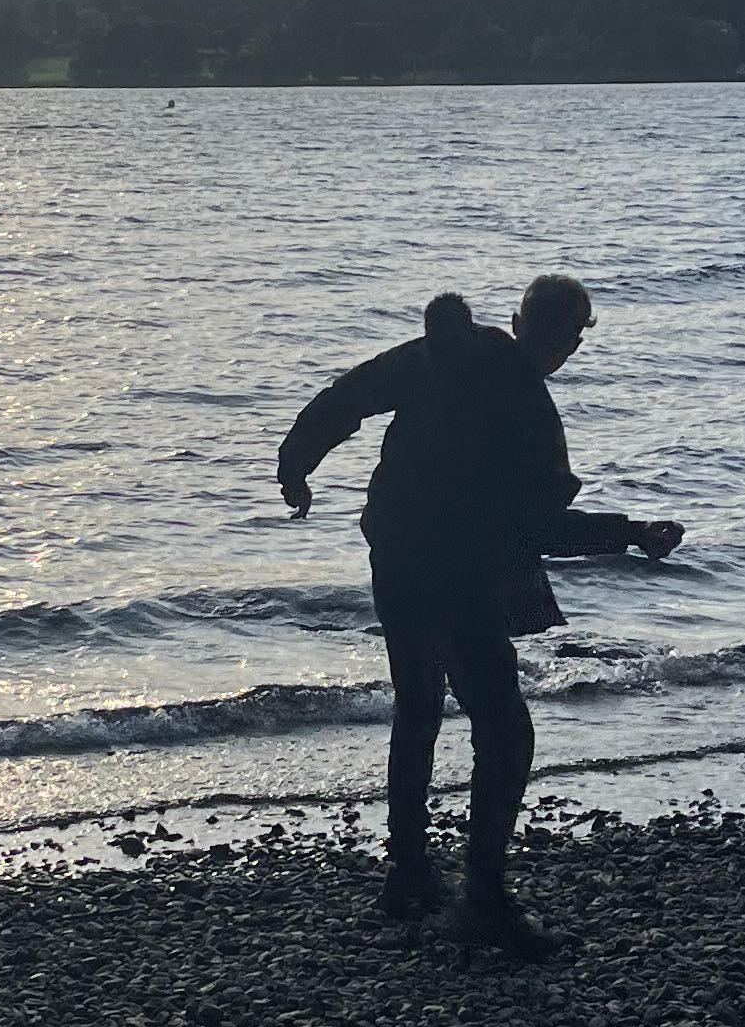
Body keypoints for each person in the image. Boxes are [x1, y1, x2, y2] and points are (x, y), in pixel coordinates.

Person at [278, 274, 682, 954]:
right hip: (455, 575)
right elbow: (539, 529)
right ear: (565, 338)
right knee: (505, 729)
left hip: (397, 552)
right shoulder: (526, 408)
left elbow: (349, 395)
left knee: (418, 707)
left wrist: (296, 463)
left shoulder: (447, 354)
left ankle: (408, 873)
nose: (562, 347)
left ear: (520, 320)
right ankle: (483, 897)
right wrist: (632, 532)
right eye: (568, 336)